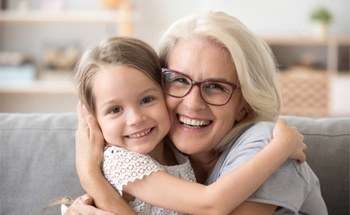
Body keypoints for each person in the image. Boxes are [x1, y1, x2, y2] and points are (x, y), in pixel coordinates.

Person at [68, 11, 327, 214]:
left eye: (215, 86)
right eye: (179, 80)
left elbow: (212, 204)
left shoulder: (262, 146)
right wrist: (91, 178)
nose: (192, 104)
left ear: (244, 104)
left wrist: (92, 178)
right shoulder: (152, 152)